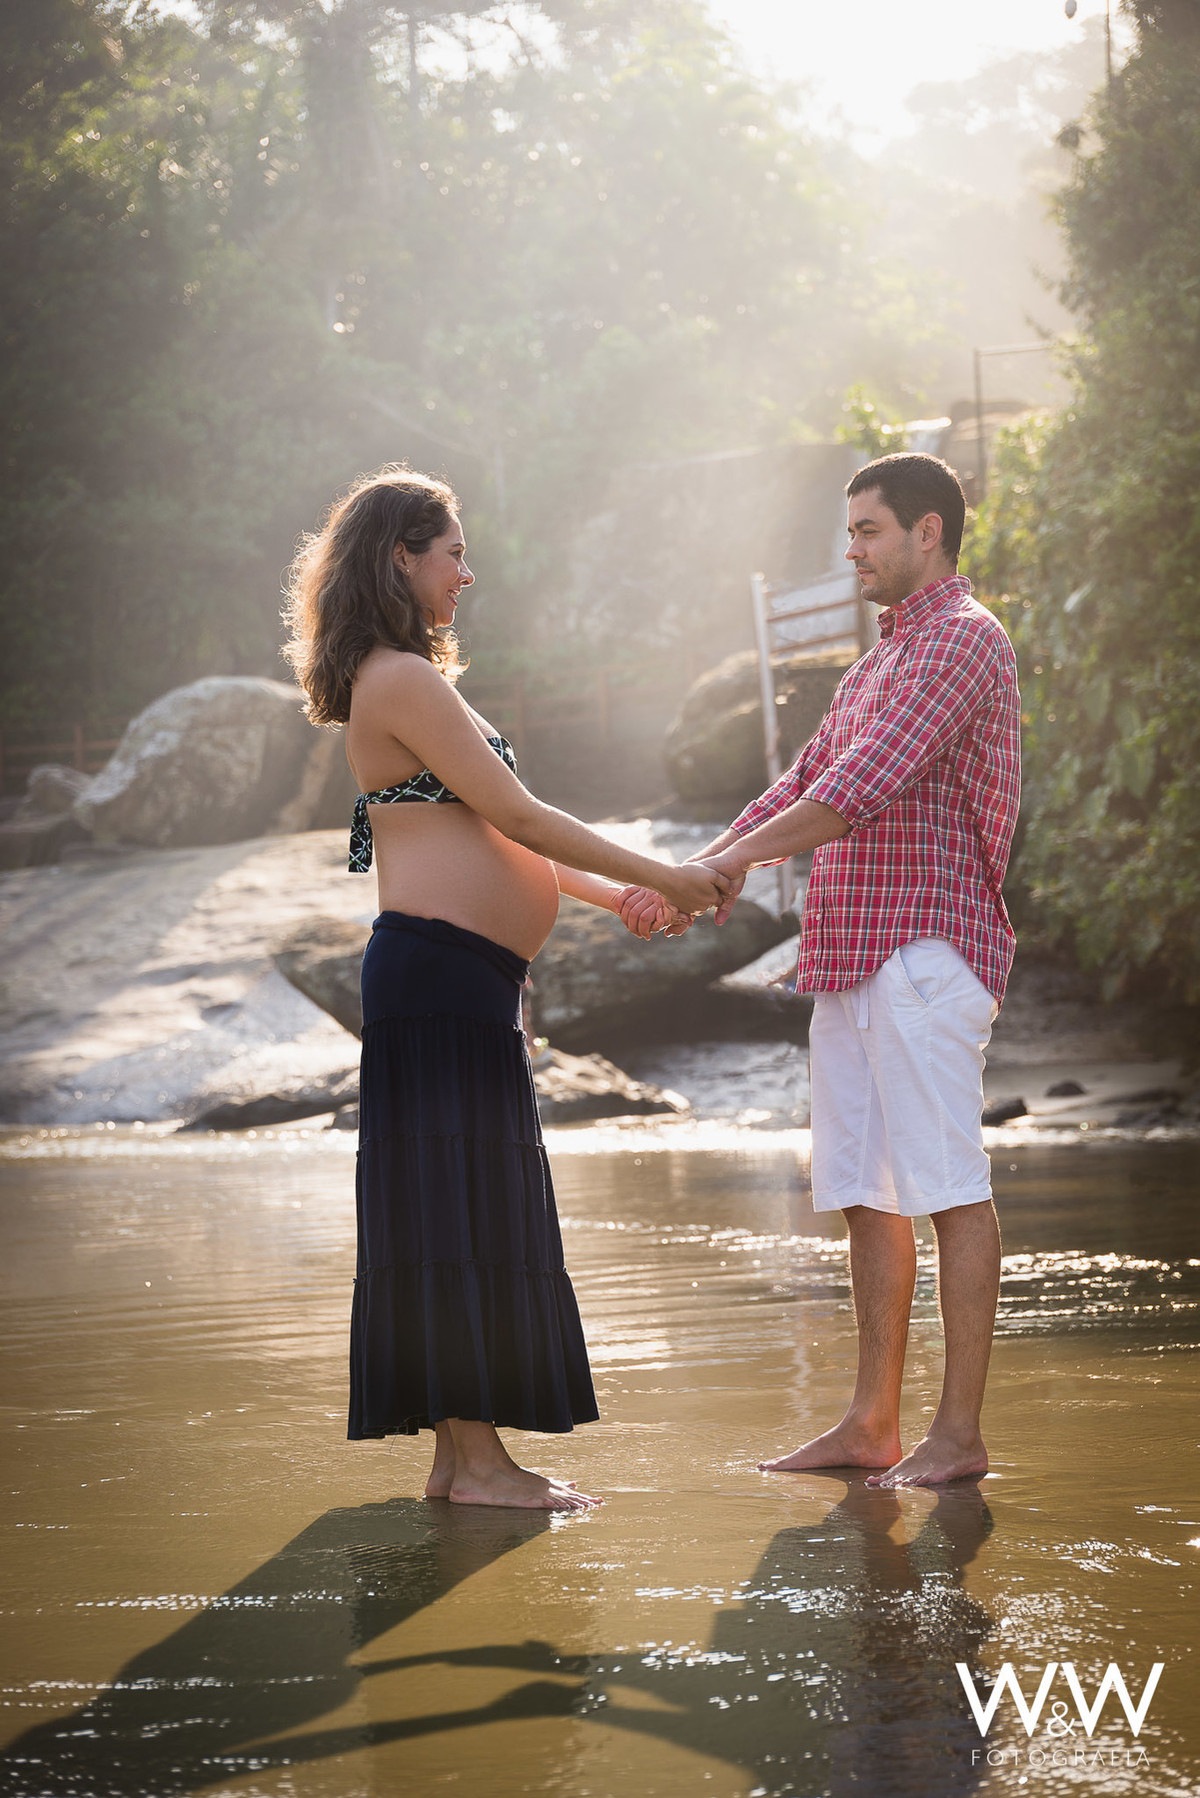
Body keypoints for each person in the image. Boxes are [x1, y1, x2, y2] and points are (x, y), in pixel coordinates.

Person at [283, 465, 728, 1513]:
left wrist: (615, 894)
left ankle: (456, 1463)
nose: (467, 574)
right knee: (453, 1211)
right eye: (452, 552)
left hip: (460, 976)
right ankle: (480, 1464)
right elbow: (519, 816)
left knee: (463, 1204)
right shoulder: (396, 678)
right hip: (437, 975)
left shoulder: (414, 681)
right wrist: (665, 873)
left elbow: (490, 823)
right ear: (402, 555)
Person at [618, 452, 1021, 1488]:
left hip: (927, 949)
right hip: (849, 958)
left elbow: (863, 790)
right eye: (849, 532)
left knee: (947, 1190)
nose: (852, 552)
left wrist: (712, 870)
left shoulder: (966, 643)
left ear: (929, 531)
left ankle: (959, 1435)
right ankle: (868, 1424)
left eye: (868, 531)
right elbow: (801, 782)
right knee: (862, 1193)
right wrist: (680, 879)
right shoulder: (873, 665)